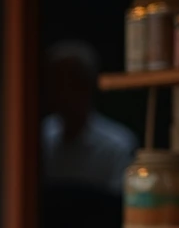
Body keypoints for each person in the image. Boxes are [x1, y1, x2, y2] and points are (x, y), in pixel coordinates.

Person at [42, 41, 137, 196]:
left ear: (87, 86)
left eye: (69, 83)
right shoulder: (41, 138)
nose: (60, 93)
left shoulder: (116, 146)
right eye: (54, 83)